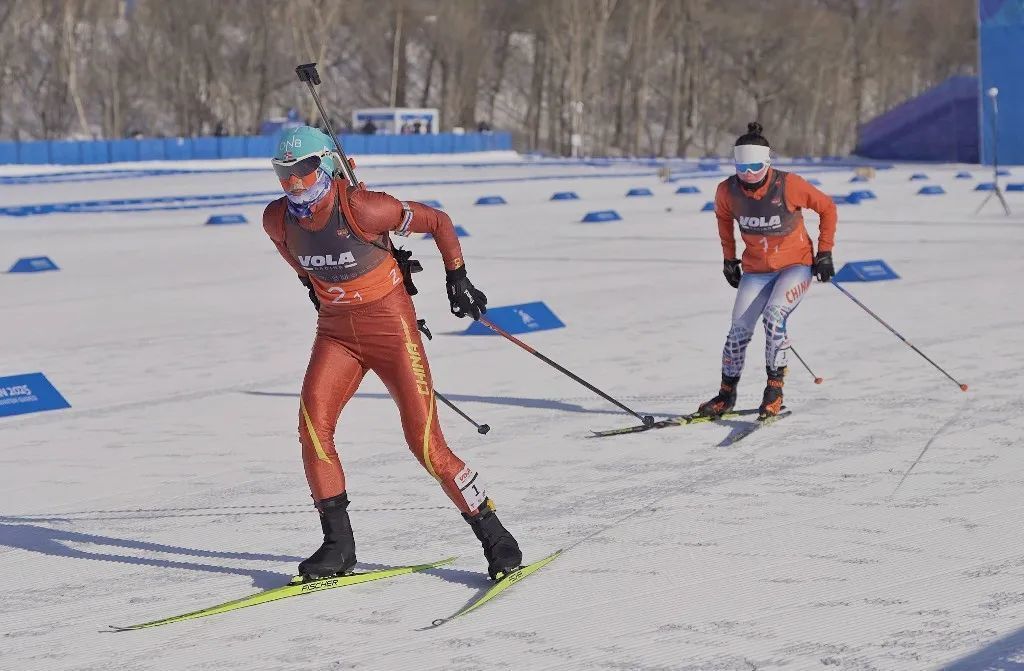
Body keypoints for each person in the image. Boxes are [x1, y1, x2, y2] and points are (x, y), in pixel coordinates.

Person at [263, 126, 522, 581]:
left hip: (391, 328)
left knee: (426, 446)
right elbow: (297, 260)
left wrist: (456, 277)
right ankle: (338, 545)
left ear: (326, 166)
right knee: (312, 429)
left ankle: (495, 535)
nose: (295, 186)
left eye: (303, 173)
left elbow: (438, 221)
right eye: (284, 176)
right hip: (337, 333)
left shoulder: (362, 207)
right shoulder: (277, 220)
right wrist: (315, 287)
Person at [697, 122, 837, 419]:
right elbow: (723, 221)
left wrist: (824, 253)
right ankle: (726, 395)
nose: (748, 174)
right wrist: (729, 259)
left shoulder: (789, 185)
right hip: (757, 270)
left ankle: (773, 390)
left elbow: (827, 208)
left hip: (794, 266)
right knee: (738, 332)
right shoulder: (727, 191)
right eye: (742, 167)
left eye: (755, 167)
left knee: (774, 317)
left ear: (768, 162)